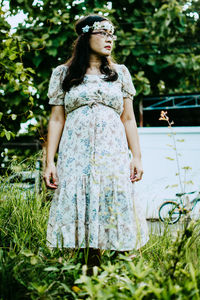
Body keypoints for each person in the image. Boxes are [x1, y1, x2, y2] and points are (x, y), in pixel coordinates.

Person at [44, 14, 149, 274]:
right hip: (75, 155)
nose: (109, 39)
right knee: (80, 201)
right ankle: (80, 272)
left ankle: (123, 273)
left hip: (112, 154)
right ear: (85, 37)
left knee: (114, 199)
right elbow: (57, 120)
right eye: (102, 33)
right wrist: (50, 162)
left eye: (111, 34)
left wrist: (136, 156)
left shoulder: (120, 73)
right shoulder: (63, 74)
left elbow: (128, 118)